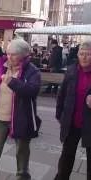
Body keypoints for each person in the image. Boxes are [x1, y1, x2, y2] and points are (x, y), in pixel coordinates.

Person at [0, 38, 41, 180]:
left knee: (22, 153)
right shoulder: (1, 67)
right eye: (8, 53)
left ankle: (22, 177)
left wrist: (12, 82)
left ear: (24, 55)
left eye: (13, 54)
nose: (9, 57)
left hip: (21, 119)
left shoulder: (32, 72)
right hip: (0, 118)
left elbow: (32, 91)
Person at [54, 40, 91, 180]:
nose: (84, 57)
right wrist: (60, 116)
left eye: (88, 54)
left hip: (89, 125)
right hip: (72, 123)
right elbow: (61, 95)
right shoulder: (71, 71)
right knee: (66, 157)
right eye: (82, 54)